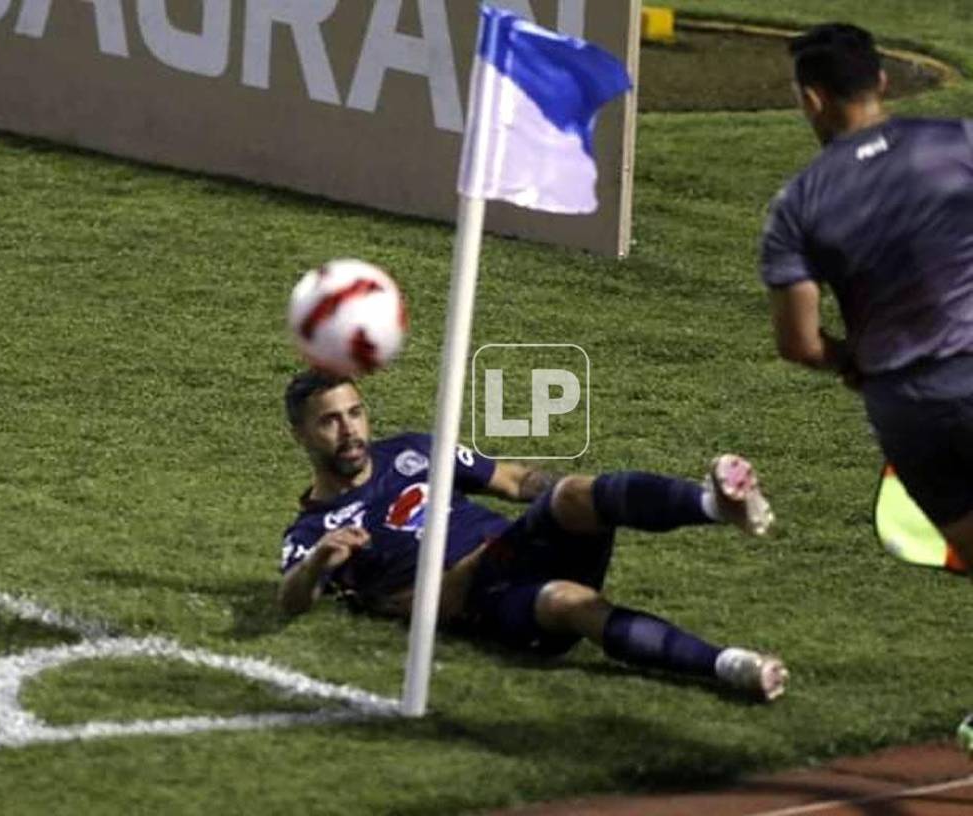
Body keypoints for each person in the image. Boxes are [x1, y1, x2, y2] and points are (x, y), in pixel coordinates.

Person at [277, 370, 789, 702]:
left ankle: (717, 505)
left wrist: (567, 500)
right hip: (479, 596)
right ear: (301, 435)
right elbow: (292, 597)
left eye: (355, 413)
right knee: (571, 603)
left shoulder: (411, 451)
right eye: (329, 422)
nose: (349, 430)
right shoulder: (313, 528)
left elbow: (517, 481)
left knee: (568, 494)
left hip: (522, 545)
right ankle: (730, 666)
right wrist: (320, 561)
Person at [759, 22, 972, 751]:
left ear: (811, 99)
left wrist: (851, 360)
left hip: (909, 409)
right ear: (881, 81)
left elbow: (797, 343)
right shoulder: (957, 144)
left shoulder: (798, 206)